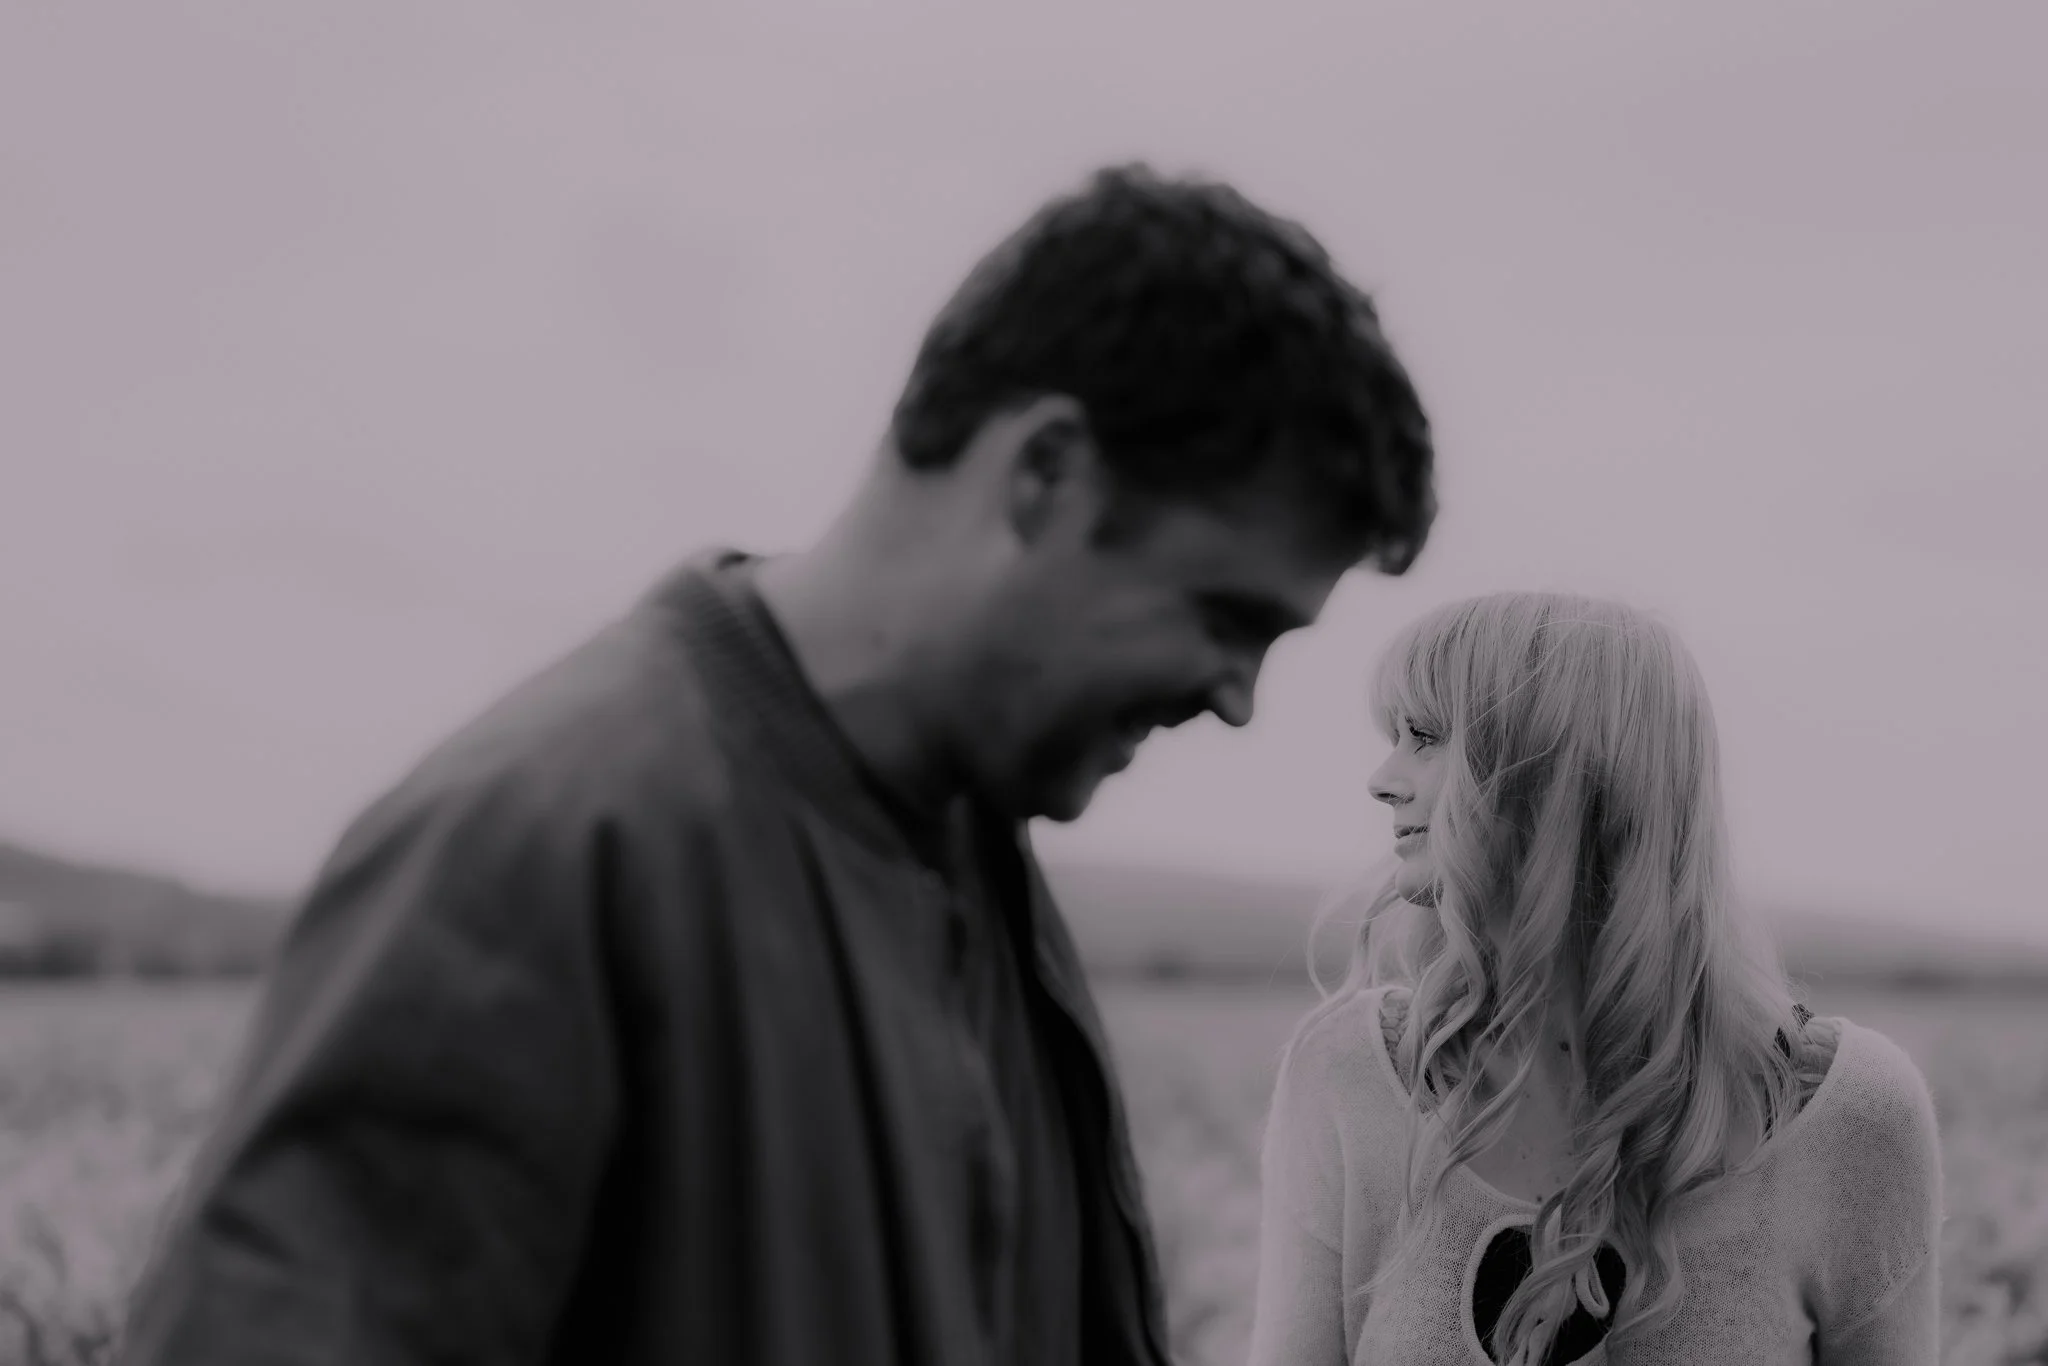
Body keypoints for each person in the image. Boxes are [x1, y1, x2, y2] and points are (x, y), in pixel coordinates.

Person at [114, 163, 1437, 1366]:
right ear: (1044, 474)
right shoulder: (542, 848)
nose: (1238, 700)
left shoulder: (980, 864)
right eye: (1225, 615)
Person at [1248, 593, 1943, 1365]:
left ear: (1557, 771)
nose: (1382, 779)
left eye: (1426, 737)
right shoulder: (1351, 1076)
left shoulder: (1850, 1120)